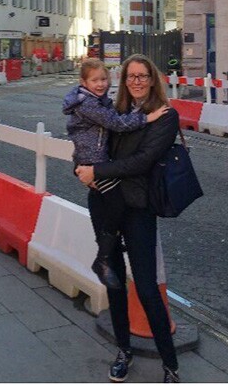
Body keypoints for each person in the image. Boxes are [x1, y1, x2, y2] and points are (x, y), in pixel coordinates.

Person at [76, 54, 180, 384]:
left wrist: (98, 171)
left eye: (142, 76)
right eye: (130, 76)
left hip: (137, 209)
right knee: (115, 283)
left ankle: (170, 365)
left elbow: (143, 161)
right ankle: (124, 351)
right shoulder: (111, 112)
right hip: (104, 203)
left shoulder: (165, 116)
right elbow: (85, 148)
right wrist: (82, 170)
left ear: (152, 80)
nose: (136, 81)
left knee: (147, 288)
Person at [63, 58, 168, 290]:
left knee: (115, 203)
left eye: (103, 79)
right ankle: (104, 256)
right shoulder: (90, 104)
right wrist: (147, 118)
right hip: (94, 161)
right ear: (83, 82)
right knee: (116, 201)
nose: (100, 84)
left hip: (96, 162)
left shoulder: (98, 101)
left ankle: (109, 247)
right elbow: (116, 124)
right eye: (95, 80)